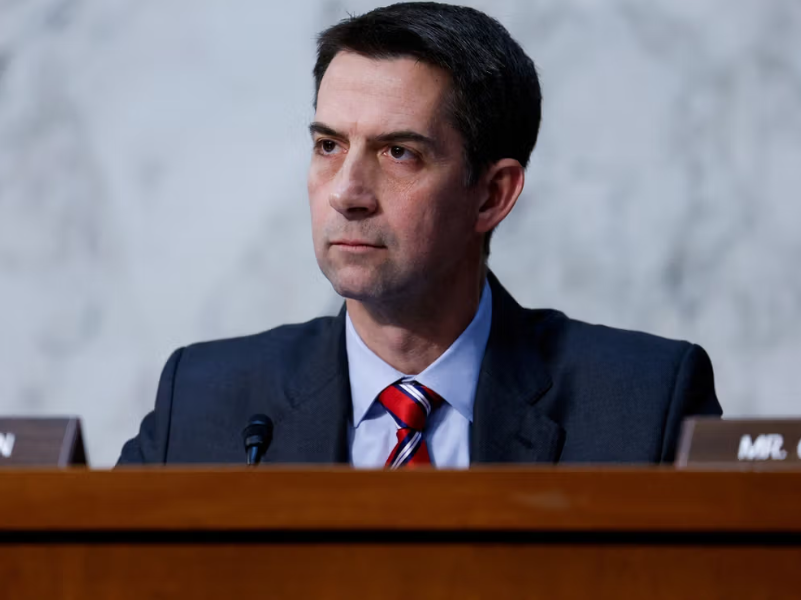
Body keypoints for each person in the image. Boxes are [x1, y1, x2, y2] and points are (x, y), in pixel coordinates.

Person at [118, 2, 721, 467]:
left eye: (399, 153)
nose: (347, 193)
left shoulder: (645, 404)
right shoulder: (201, 400)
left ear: (492, 194)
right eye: (329, 146)